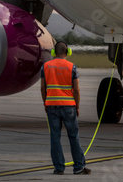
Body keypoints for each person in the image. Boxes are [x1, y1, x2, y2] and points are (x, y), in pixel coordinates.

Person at [40, 41, 91, 175]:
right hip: (69, 107)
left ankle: (59, 168)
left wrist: (45, 103)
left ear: (53, 52)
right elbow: (77, 90)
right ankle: (79, 167)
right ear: (68, 52)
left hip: (51, 106)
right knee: (74, 137)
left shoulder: (45, 66)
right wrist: (77, 106)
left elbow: (42, 88)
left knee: (55, 137)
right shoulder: (72, 67)